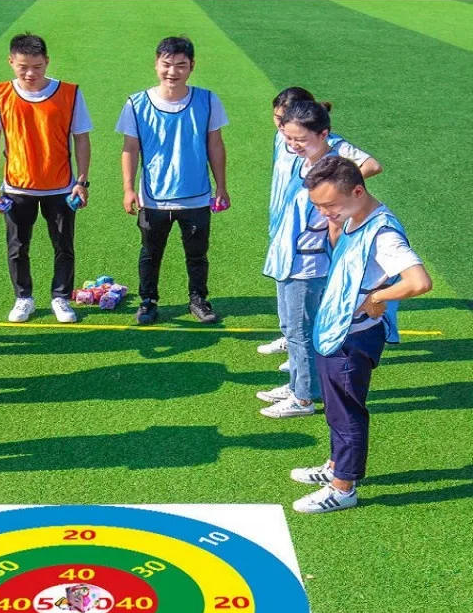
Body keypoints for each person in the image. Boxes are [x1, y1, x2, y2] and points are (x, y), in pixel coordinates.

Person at [291, 156, 432, 513]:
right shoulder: (354, 215)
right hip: (336, 331)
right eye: (319, 206)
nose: (324, 213)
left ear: (357, 190)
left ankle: (343, 488)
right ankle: (337, 466)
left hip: (353, 338)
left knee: (347, 413)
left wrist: (378, 297)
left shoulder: (383, 234)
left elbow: (419, 282)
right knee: (336, 408)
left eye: (330, 205)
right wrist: (338, 221)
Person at [258, 100, 378, 419]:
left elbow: (339, 219)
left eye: (301, 139)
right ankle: (299, 383)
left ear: (324, 134)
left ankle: (304, 398)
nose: (293, 145)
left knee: (300, 330)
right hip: (288, 260)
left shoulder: (332, 169)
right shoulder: (307, 162)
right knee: (290, 326)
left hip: (307, 265)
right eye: (289, 138)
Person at [117, 36, 230, 326]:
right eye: (167, 64)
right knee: (150, 253)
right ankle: (148, 301)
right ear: (156, 64)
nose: (173, 72)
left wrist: (221, 186)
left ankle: (198, 299)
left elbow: (215, 145)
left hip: (196, 195)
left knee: (197, 255)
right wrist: (129, 188)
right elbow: (130, 148)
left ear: (191, 66)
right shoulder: (136, 103)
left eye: (181, 65)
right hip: (153, 197)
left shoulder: (207, 99)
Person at [0, 32, 92, 324]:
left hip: (61, 187)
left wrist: (82, 180)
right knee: (18, 246)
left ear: (47, 62)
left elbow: (81, 138)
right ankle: (23, 298)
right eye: (22, 66)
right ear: (11, 62)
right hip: (17, 187)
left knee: (63, 245)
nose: (30, 73)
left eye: (37, 66)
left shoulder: (70, 93)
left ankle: (60, 297)